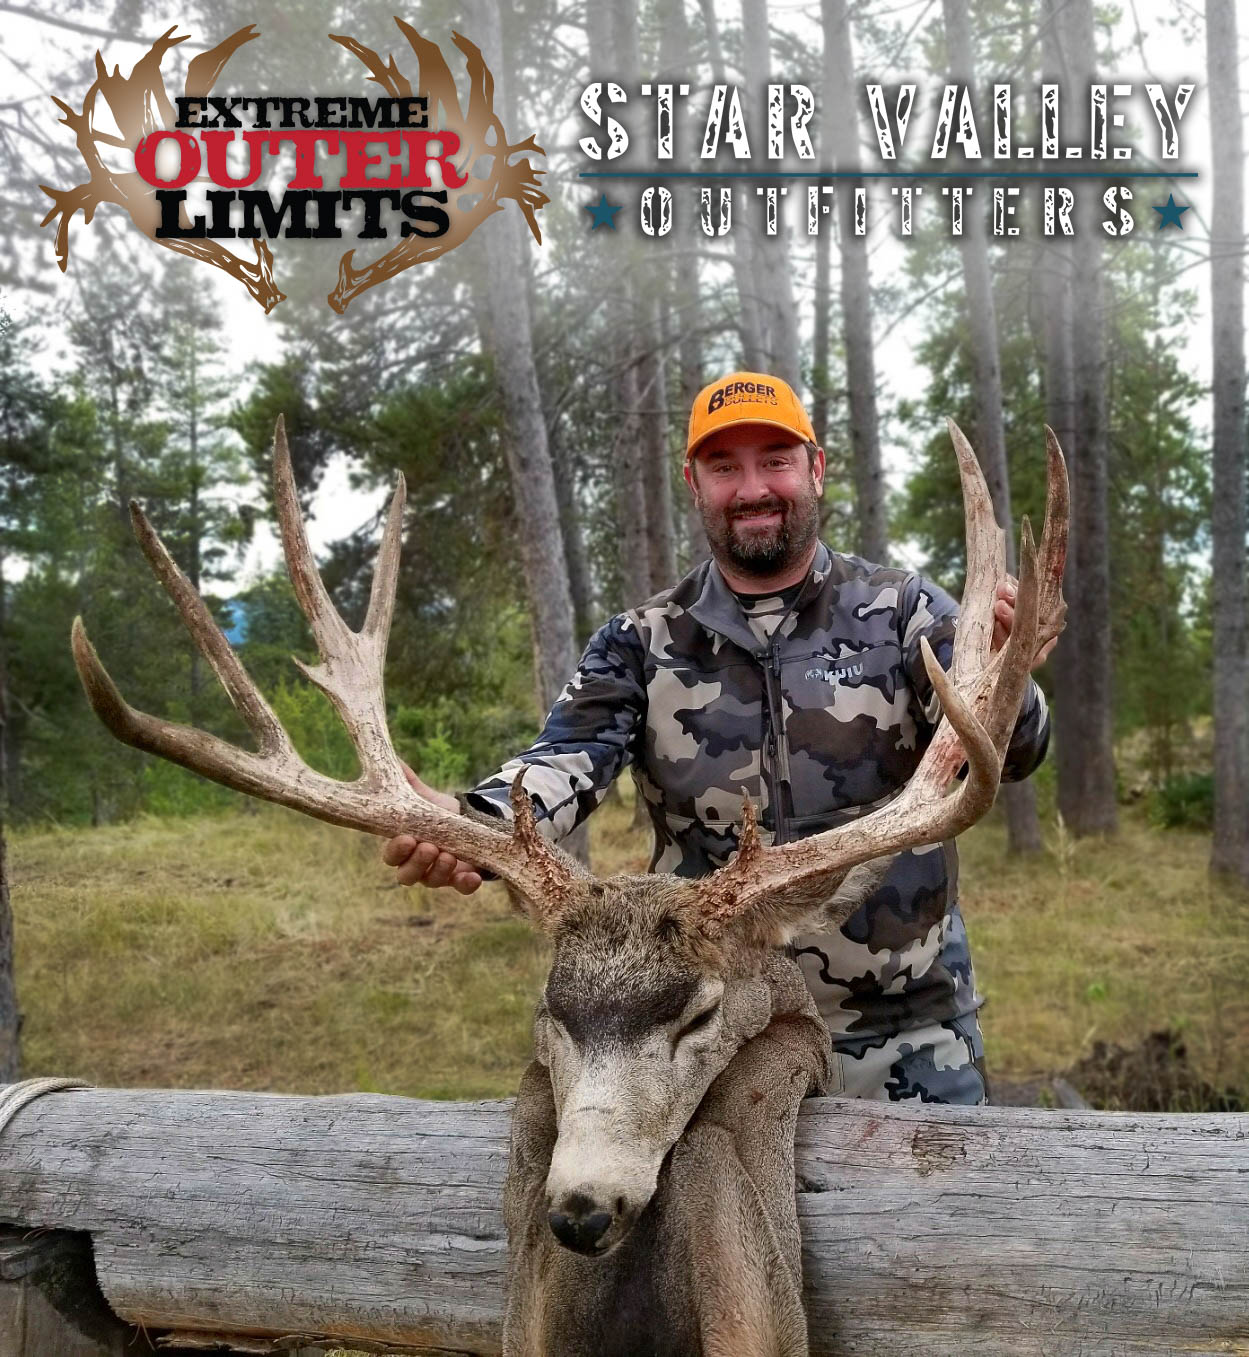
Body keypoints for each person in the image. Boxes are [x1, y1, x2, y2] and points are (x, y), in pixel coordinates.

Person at [382, 371, 1055, 1104]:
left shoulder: (903, 611)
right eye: (724, 466)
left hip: (907, 1029)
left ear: (815, 469)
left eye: (775, 460)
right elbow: (565, 761)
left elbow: (1018, 753)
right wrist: (473, 823)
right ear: (693, 483)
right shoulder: (642, 640)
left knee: (939, 1187)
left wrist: (1007, 679)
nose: (752, 488)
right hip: (709, 1033)